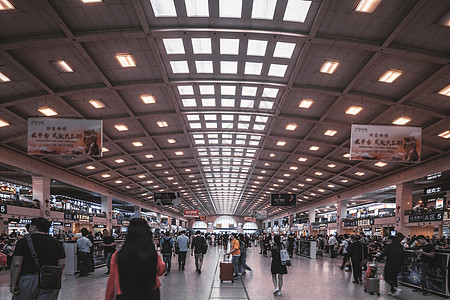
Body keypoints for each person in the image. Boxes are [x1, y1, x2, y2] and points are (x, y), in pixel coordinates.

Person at [105, 218, 165, 300]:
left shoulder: (118, 256)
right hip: (150, 293)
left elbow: (112, 281)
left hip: (126, 294)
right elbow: (161, 270)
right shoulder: (152, 255)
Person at [10, 217, 66, 300]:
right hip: (49, 279)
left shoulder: (23, 242)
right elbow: (62, 264)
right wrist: (55, 279)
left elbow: (16, 264)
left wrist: (13, 283)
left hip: (27, 280)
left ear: (34, 227)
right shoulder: (57, 243)